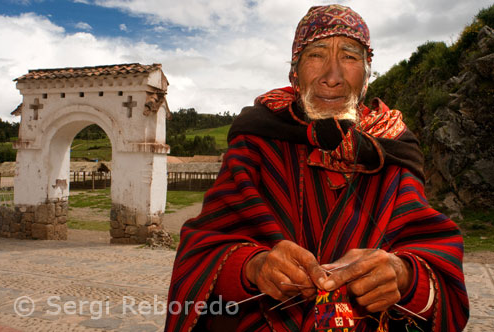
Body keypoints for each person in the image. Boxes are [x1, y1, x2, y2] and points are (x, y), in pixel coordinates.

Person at [165, 4, 469, 332]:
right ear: (294, 75)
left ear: (367, 77)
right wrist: (253, 267)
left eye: (350, 57)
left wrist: (403, 276)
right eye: (317, 55)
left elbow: (436, 266)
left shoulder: (394, 149)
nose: (332, 77)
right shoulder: (256, 142)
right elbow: (201, 251)